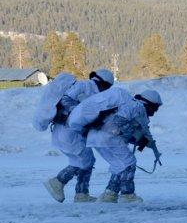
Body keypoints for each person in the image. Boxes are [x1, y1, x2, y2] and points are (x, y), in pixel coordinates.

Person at [69, 88, 162, 203]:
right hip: (108, 137)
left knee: (119, 165)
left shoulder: (134, 107)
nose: (154, 113)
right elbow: (119, 121)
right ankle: (127, 195)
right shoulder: (136, 106)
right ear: (150, 104)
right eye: (155, 108)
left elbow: (138, 129)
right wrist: (135, 137)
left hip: (96, 137)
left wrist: (144, 141)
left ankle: (110, 194)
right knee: (129, 162)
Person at [43, 69, 115, 203]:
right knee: (84, 161)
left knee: (86, 160)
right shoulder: (85, 86)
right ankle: (58, 182)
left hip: (69, 132)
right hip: (68, 131)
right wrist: (80, 112)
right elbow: (65, 100)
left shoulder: (92, 91)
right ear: (104, 84)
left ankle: (81, 194)